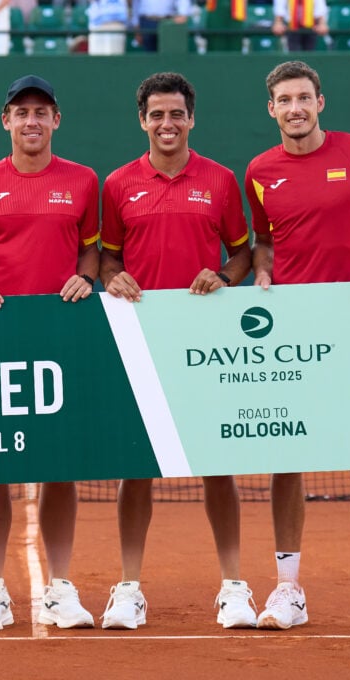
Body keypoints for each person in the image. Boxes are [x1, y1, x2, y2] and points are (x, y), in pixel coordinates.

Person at [244, 60, 350, 632]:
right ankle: (288, 591)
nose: (295, 108)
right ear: (271, 110)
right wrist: (264, 274)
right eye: (284, 100)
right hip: (289, 336)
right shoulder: (260, 171)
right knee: (286, 460)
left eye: (304, 98)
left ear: (321, 102)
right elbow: (264, 245)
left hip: (349, 329)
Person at [98, 72, 255, 631]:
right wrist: (112, 279)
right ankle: (129, 587)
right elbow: (107, 259)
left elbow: (243, 253)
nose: (167, 124)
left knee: (217, 468)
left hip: (205, 346)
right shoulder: (117, 184)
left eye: (177, 114)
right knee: (135, 470)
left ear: (192, 119)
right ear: (142, 120)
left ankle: (234, 585)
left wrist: (224, 276)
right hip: (140, 341)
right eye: (157, 115)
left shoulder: (219, 180)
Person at [0, 74, 99, 631]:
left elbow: (92, 251)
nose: (32, 120)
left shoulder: (84, 181)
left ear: (56, 120)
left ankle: (60, 585)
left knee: (61, 467)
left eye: (42, 111)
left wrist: (86, 279)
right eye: (22, 112)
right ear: (6, 121)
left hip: (62, 339)